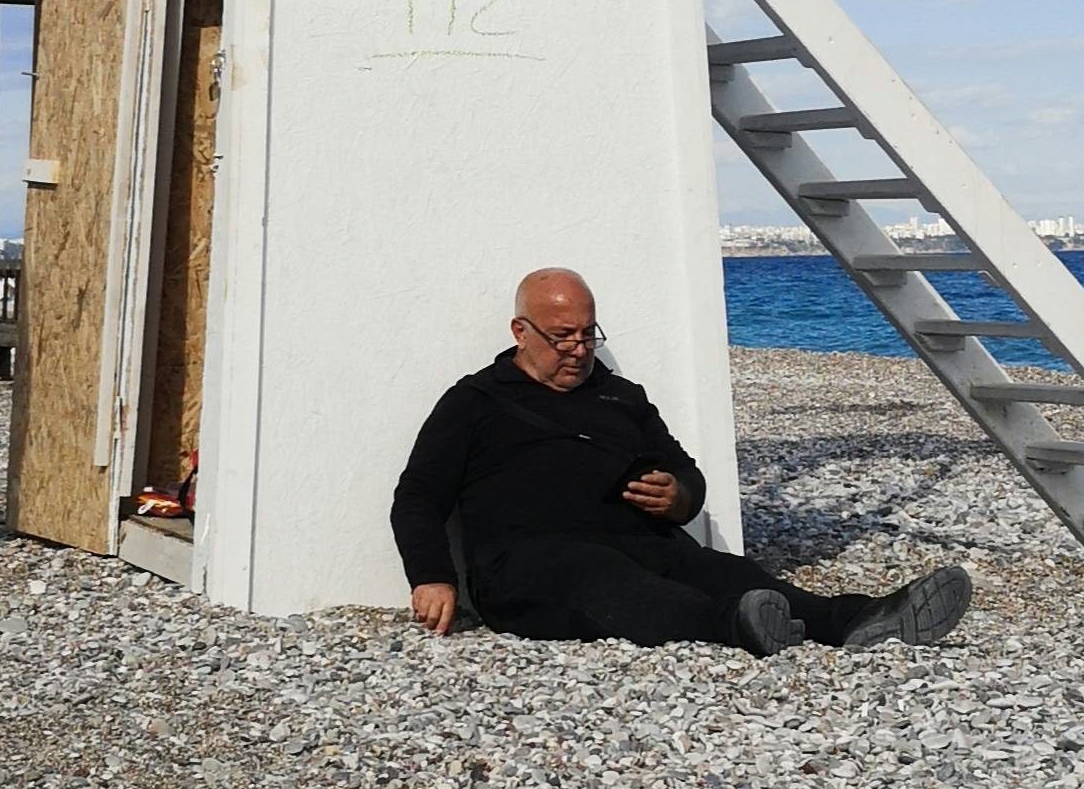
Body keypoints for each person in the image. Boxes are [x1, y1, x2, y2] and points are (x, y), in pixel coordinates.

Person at [391, 267, 974, 656]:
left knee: (729, 572)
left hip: (642, 543)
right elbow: (419, 496)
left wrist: (679, 496)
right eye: (562, 336)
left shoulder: (620, 396)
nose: (577, 350)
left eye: (588, 336)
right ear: (521, 331)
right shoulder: (477, 401)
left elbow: (685, 472)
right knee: (606, 582)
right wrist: (432, 577)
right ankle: (735, 628)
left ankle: (858, 619)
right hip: (529, 564)